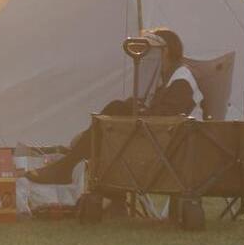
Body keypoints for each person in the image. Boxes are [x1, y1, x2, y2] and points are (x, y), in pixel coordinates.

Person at [26, 28, 202, 186]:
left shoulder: (182, 78)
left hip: (171, 143)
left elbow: (169, 116)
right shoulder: (163, 79)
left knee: (112, 119)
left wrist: (140, 110)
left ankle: (67, 165)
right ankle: (72, 164)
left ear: (165, 52)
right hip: (153, 136)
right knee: (112, 122)